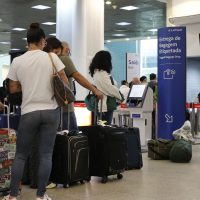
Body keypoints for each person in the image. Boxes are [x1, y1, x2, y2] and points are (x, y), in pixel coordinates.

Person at [3, 23, 69, 200]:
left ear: (27, 41)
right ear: (43, 41)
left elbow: (14, 90)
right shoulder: (51, 58)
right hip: (50, 111)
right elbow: (65, 85)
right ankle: (41, 195)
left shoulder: (17, 61)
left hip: (29, 112)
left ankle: (13, 196)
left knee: (21, 155)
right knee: (46, 154)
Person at [44, 37, 103, 131]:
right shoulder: (64, 59)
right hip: (65, 107)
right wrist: (94, 90)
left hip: (47, 107)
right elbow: (78, 76)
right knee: (71, 137)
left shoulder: (43, 59)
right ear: (67, 50)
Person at [89, 50, 123, 124]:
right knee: (105, 128)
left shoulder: (96, 73)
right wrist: (120, 96)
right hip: (105, 105)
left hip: (101, 104)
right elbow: (109, 89)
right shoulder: (102, 74)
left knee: (102, 127)